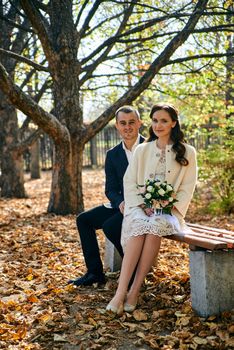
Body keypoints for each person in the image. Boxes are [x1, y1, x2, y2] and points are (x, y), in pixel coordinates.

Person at [106, 103, 197, 314]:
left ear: (174, 123)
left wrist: (168, 205)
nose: (158, 125)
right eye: (155, 120)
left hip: (169, 211)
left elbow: (187, 187)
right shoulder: (142, 149)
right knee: (140, 226)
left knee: (155, 226)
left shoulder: (188, 152)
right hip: (140, 206)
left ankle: (134, 291)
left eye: (164, 120)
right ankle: (121, 292)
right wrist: (142, 204)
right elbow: (129, 182)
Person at [68, 106, 144, 287]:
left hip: (144, 206)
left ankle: (132, 270)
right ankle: (95, 272)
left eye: (132, 122)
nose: (127, 127)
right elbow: (110, 189)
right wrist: (120, 202)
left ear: (139, 123)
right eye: (123, 123)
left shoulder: (151, 149)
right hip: (122, 205)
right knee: (84, 220)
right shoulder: (112, 154)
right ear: (117, 126)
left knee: (110, 226)